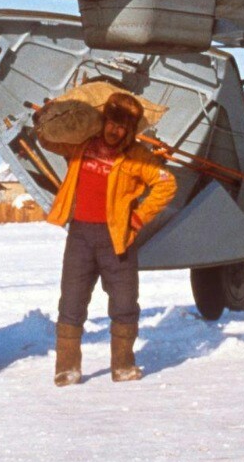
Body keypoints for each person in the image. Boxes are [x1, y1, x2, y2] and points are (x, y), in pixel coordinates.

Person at [42, 92, 176, 385]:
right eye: (112, 124)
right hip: (80, 235)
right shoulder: (82, 144)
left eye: (123, 128)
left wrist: (138, 218)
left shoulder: (137, 157)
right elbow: (49, 140)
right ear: (104, 121)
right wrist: (51, 116)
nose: (116, 131)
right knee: (72, 302)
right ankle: (67, 367)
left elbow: (167, 184)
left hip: (117, 237)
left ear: (131, 131)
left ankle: (123, 365)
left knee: (125, 303)